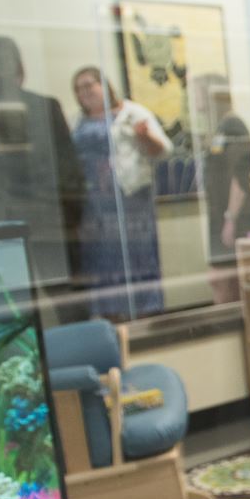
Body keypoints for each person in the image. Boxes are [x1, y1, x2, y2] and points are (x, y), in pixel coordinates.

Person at [0, 36, 87, 312]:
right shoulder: (42, 107)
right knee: (50, 302)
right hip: (29, 220)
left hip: (15, 221)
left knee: (21, 305)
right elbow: (71, 174)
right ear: (20, 65)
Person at [70, 66, 172, 320]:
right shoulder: (78, 121)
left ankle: (146, 315)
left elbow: (163, 150)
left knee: (136, 257)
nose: (85, 92)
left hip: (130, 200)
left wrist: (145, 136)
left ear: (104, 85)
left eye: (89, 85)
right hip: (94, 204)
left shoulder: (131, 113)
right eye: (79, 88)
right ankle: (110, 318)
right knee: (102, 262)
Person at [194, 74, 250, 305]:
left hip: (235, 216)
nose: (195, 100)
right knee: (222, 280)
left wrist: (230, 219)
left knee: (225, 279)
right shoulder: (218, 130)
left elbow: (238, 178)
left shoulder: (232, 126)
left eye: (198, 92)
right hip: (221, 215)